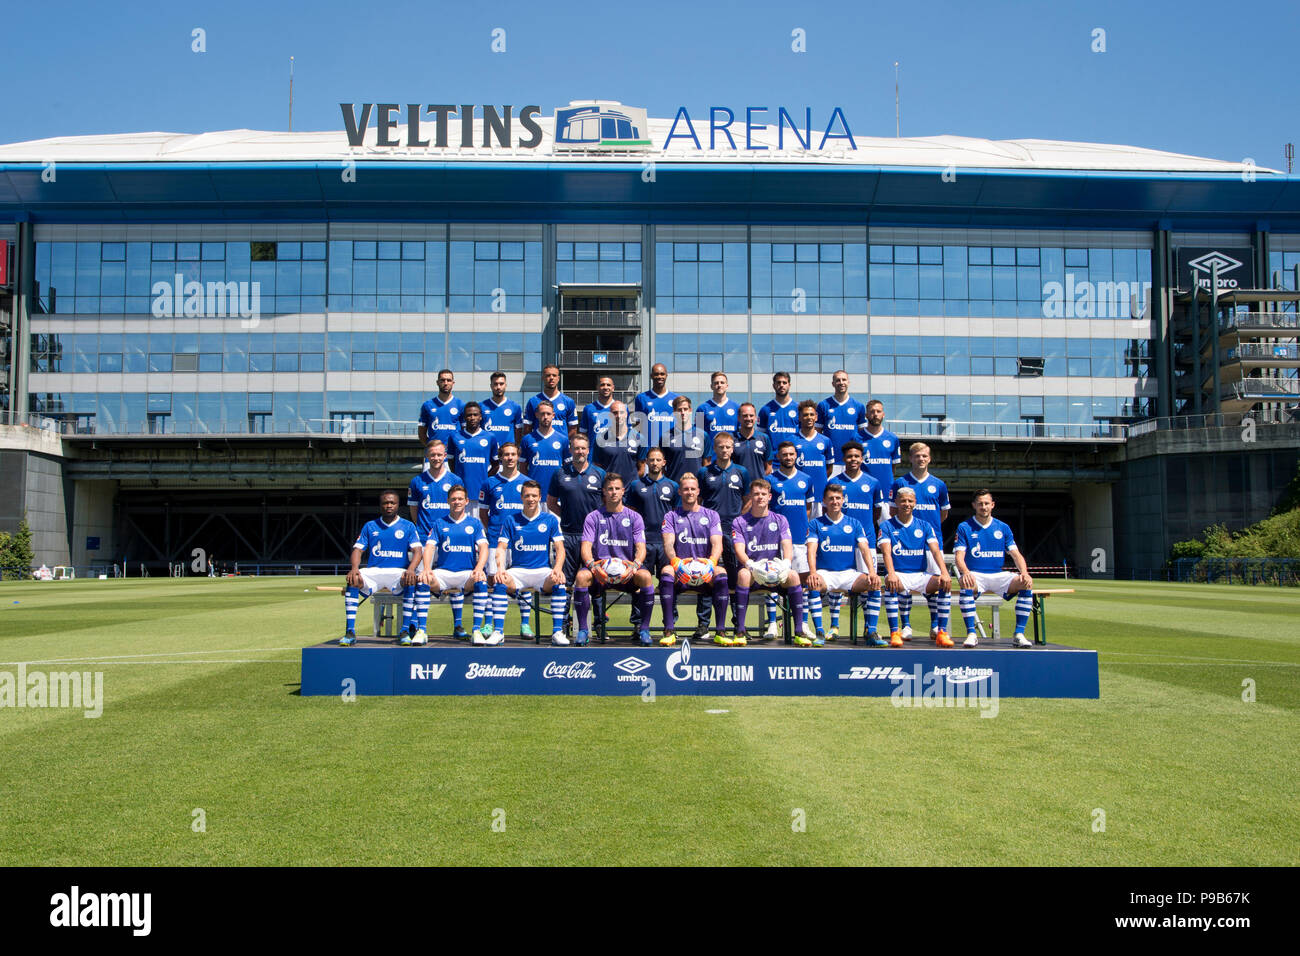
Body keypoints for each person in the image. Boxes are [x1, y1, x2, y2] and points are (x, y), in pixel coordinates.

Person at [573, 473, 656, 647]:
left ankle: (644, 629)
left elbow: (641, 549)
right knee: (581, 577)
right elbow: (586, 548)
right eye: (610, 489)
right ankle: (583, 630)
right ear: (604, 491)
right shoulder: (593, 517)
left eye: (617, 489)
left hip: (626, 571)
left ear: (623, 491)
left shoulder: (634, 517)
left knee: (646, 577)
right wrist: (593, 567)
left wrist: (633, 567)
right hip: (600, 571)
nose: (613, 492)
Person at [805, 484, 887, 647]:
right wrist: (813, 572)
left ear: (843, 500)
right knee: (813, 584)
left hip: (849, 573)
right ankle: (820, 631)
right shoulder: (815, 524)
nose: (835, 501)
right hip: (825, 573)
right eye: (831, 498)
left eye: (838, 498)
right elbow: (811, 550)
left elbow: (865, 549)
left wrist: (872, 572)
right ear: (824, 501)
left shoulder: (854, 523)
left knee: (874, 584)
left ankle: (871, 631)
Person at [340, 490, 424, 646]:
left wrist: (411, 569)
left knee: (411, 579)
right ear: (380, 506)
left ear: (398, 505)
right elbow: (358, 549)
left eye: (392, 503)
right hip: (374, 572)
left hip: (398, 573)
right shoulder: (370, 526)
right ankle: (350, 631)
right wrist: (354, 568)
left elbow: (418, 551)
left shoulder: (408, 526)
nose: (389, 506)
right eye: (385, 503)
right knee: (353, 579)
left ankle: (405, 630)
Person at [730, 479, 809, 645]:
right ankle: (740, 630)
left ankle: (799, 631)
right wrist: (751, 565)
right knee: (743, 575)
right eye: (756, 494)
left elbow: (787, 545)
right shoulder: (740, 522)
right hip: (753, 570)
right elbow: (739, 550)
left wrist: (786, 563)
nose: (760, 497)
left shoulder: (780, 519)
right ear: (750, 496)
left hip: (775, 571)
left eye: (763, 494)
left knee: (794, 575)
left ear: (770, 496)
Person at [953, 489, 1035, 648]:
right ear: (974, 506)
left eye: (986, 503)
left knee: (1026, 583)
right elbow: (959, 557)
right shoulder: (964, 527)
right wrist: (966, 572)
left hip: (998, 575)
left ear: (992, 505)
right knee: (965, 582)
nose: (983, 507)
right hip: (976, 574)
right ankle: (971, 633)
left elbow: (1016, 554)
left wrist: (1024, 573)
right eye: (980, 504)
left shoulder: (1003, 527)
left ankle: (1019, 634)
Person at [492, 480, 570, 646]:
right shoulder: (511, 520)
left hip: (542, 571)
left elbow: (560, 549)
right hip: (518, 571)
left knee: (559, 582)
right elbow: (501, 548)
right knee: (500, 581)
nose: (531, 499)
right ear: (521, 497)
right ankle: (498, 632)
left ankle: (557, 631)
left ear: (540, 497)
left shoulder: (550, 519)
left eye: (534, 495)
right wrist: (500, 569)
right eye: (527, 495)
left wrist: (557, 569)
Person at [825, 440, 887, 637]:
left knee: (870, 582)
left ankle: (870, 627)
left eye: (857, 456)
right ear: (844, 459)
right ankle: (834, 626)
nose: (853, 459)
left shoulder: (873, 483)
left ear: (862, 458)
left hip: (865, 542)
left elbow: (876, 511)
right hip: (838, 542)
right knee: (836, 585)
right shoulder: (835, 483)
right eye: (849, 456)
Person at [660, 473, 731, 646]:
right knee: (666, 571)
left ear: (698, 491)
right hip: (682, 569)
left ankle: (720, 631)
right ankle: (669, 630)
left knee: (721, 573)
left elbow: (717, 544)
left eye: (693, 489)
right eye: (686, 489)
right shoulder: (671, 516)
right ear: (679, 492)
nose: (689, 492)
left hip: (705, 569)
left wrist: (711, 562)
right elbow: (668, 544)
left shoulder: (712, 515)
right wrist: (676, 562)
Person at [890, 442, 951, 641]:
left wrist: (927, 528)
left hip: (933, 542)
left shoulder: (939, 484)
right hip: (906, 543)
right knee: (904, 582)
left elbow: (943, 514)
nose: (921, 459)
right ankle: (905, 625)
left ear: (929, 458)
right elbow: (893, 512)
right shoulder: (900, 483)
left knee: (934, 585)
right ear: (911, 458)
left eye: (924, 456)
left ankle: (935, 626)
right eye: (917, 456)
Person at [879, 487, 953, 647]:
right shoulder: (887, 526)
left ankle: (941, 632)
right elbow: (886, 553)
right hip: (898, 573)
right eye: (903, 500)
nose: (907, 504)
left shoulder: (924, 526)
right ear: (897, 502)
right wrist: (891, 573)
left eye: (910, 501)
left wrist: (945, 572)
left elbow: (935, 550)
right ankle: (894, 632)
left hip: (920, 574)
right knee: (891, 585)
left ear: (915, 503)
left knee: (944, 584)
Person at [693, 432, 748, 635]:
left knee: (734, 577)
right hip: (709, 532)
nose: (724, 450)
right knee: (706, 574)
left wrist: (738, 521)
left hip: (733, 531)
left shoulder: (742, 471)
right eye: (720, 447)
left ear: (732, 448)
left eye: (728, 447)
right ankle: (703, 623)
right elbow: (697, 501)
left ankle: (737, 623)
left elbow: (747, 497)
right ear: (714, 449)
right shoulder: (704, 472)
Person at [422, 484, 490, 643]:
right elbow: (430, 547)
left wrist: (479, 568)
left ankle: (476, 631)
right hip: (443, 573)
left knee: (481, 580)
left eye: (460, 499)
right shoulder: (440, 523)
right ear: (448, 501)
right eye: (453, 499)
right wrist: (426, 569)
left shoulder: (474, 523)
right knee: (423, 580)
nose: (457, 502)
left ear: (467, 501)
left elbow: (484, 547)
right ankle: (421, 630)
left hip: (466, 574)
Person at [622, 447, 678, 628]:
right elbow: (630, 513)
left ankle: (669, 625)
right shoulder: (636, 486)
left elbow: (677, 516)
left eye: (658, 460)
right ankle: (638, 625)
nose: (654, 463)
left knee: (669, 584)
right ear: (646, 462)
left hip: (665, 544)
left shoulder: (673, 486)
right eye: (651, 460)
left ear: (664, 463)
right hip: (643, 543)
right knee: (640, 583)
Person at [766, 441, 816, 641]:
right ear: (778, 456)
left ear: (796, 456)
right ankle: (771, 623)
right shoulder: (770, 480)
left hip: (798, 539)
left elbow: (808, 509)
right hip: (775, 540)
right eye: (784, 454)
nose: (788, 457)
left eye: (791, 454)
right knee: (770, 580)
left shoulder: (806, 479)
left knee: (801, 584)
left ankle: (802, 623)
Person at [479, 442, 530, 638]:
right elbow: (484, 513)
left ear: (518, 457)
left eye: (513, 454)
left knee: (524, 580)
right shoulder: (489, 483)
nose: (509, 458)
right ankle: (489, 623)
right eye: (506, 455)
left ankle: (525, 624)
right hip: (495, 541)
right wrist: (494, 531)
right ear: (500, 458)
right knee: (493, 581)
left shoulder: (526, 482)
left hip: (520, 541)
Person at [546, 434, 606, 585]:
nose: (580, 451)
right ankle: (564, 609)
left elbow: (608, 503)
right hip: (568, 535)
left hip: (594, 536)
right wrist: (566, 515)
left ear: (588, 451)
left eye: (583, 448)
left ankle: (596, 610)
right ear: (571, 450)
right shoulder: (559, 473)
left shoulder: (600, 474)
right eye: (576, 448)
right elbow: (551, 503)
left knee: (595, 581)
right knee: (564, 581)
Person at [447, 401, 498, 509]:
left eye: (475, 415)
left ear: (480, 417)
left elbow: (496, 464)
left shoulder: (490, 437)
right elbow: (451, 462)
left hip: (481, 492)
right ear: (464, 417)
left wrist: (485, 478)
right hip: (461, 493)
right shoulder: (454, 436)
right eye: (469, 415)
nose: (472, 417)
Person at [519, 400, 570, 506]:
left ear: (553, 415)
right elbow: (523, 468)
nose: (545, 417)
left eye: (548, 414)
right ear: (536, 415)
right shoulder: (527, 439)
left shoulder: (563, 440)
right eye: (542, 414)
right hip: (534, 497)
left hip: (556, 497)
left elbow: (568, 468)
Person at [816, 370, 869, 467]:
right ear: (833, 384)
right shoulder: (823, 405)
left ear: (848, 382)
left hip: (852, 461)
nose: (841, 383)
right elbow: (817, 434)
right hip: (830, 461)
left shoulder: (859, 406)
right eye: (838, 380)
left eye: (844, 380)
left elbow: (863, 435)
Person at [792, 399, 833, 516]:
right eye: (805, 415)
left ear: (816, 417)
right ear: (799, 418)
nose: (809, 417)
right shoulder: (791, 440)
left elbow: (829, 469)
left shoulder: (825, 440)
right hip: (799, 495)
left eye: (811, 414)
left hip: (819, 496)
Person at [407, 439, 455, 534]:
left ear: (445, 456)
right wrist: (421, 527)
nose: (436, 458)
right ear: (427, 456)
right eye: (432, 455)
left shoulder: (455, 480)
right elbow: (413, 509)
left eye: (439, 455)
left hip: (449, 534)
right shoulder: (416, 481)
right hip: (424, 537)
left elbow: (458, 508)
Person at [861, 399, 901, 510]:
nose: (875, 414)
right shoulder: (856, 438)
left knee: (886, 527)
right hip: (864, 493)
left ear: (883, 414)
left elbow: (893, 468)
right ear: (866, 415)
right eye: (872, 412)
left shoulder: (892, 439)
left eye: (878, 411)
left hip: (886, 494)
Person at [592, 399, 644, 482]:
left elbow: (642, 469)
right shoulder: (600, 439)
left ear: (626, 414)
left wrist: (631, 483)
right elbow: (597, 467)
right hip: (610, 491)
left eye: (622, 412)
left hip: (631, 492)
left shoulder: (639, 438)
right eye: (615, 413)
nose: (619, 416)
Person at [523, 364, 579, 436]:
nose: (551, 378)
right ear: (543, 378)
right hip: (539, 445)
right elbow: (527, 428)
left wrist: (564, 443)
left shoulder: (568, 401)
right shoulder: (533, 401)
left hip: (560, 446)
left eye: (554, 375)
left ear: (558, 378)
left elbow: (573, 429)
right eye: (548, 375)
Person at [663, 394, 708, 482]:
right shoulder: (665, 437)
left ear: (690, 410)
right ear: (674, 412)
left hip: (695, 488)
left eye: (685, 409)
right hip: (674, 487)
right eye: (679, 410)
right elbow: (662, 466)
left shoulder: (703, 435)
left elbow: (706, 464)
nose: (683, 413)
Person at [634, 362, 678, 448]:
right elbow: (638, 426)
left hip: (671, 449)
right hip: (648, 449)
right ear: (651, 376)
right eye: (656, 374)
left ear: (666, 375)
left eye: (662, 374)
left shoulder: (676, 398)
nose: (659, 377)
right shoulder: (641, 398)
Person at [417, 368, 464, 445]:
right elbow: (421, 433)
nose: (446, 383)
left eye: (448, 380)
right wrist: (431, 448)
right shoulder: (428, 405)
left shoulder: (461, 405)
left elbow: (465, 431)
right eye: (442, 380)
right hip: (434, 455)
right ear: (437, 382)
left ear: (453, 383)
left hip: (453, 453)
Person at [732, 402, 774, 482]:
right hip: (738, 488)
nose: (748, 418)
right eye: (745, 416)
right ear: (738, 418)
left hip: (757, 490)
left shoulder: (764, 438)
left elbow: (768, 468)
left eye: (751, 415)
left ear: (755, 418)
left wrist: (759, 484)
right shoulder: (732, 438)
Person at [698, 370, 740, 448]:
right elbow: (698, 436)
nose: (719, 385)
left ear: (727, 386)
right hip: (710, 457)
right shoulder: (701, 409)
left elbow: (741, 434)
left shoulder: (737, 408)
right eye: (716, 383)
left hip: (731, 457)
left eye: (722, 382)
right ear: (711, 386)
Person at [482, 370, 524, 445]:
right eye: (495, 384)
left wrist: (516, 448)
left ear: (505, 385)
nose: (498, 387)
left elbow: (519, 432)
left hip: (507, 453)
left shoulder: (515, 407)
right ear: (491, 386)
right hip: (488, 451)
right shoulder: (481, 406)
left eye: (501, 384)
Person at [758, 370, 799, 441]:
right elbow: (761, 436)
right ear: (774, 386)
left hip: (793, 451)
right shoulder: (765, 409)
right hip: (773, 452)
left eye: (784, 383)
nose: (781, 385)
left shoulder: (798, 408)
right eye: (778, 382)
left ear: (789, 385)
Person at [580, 375, 617, 450]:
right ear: (597, 387)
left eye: (608, 385)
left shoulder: (621, 408)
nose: (606, 387)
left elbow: (627, 434)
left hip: (615, 457)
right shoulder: (588, 409)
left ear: (613, 388)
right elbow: (583, 435)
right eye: (602, 385)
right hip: (593, 457)